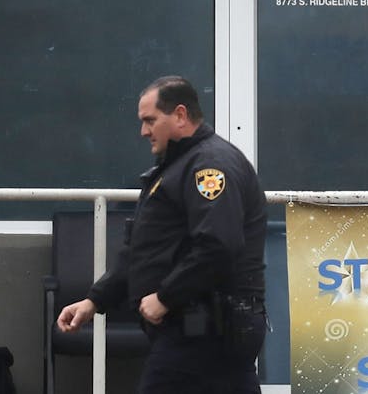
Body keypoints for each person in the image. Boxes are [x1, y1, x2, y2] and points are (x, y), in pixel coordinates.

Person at [58, 75, 268, 393]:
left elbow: (218, 245)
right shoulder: (178, 167)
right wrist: (95, 300)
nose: (144, 132)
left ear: (180, 115)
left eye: (150, 121)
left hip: (206, 328)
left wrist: (165, 297)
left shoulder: (208, 166)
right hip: (198, 326)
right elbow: (146, 249)